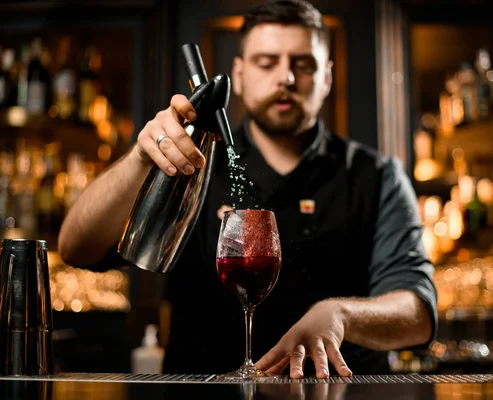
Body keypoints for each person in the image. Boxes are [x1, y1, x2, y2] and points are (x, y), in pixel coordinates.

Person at [58, 0, 438, 378]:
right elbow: (77, 247)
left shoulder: (375, 175)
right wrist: (141, 157)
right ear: (238, 75)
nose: (286, 78)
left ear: (327, 77)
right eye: (266, 62)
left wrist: (340, 315)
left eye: (303, 64)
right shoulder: (192, 159)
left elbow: (418, 314)